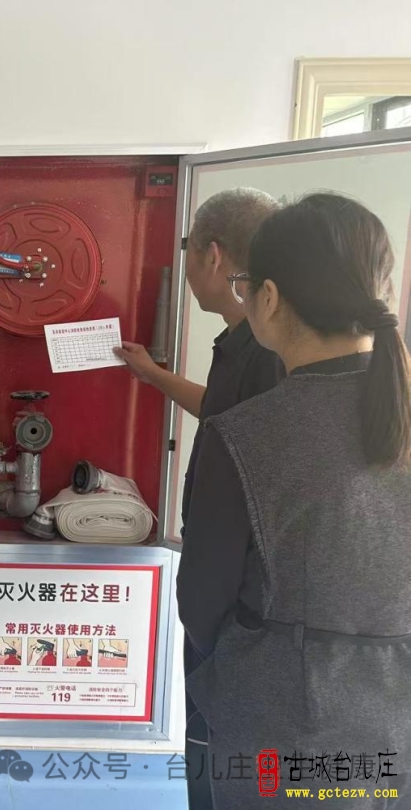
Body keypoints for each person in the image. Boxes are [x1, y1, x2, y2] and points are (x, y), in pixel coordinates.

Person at [178, 193, 411, 808]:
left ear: (269, 297)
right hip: (396, 727)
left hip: (278, 730)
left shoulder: (244, 437)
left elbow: (201, 606)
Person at [114, 187, 282, 809]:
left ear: (212, 255)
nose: (185, 266)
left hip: (239, 606)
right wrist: (152, 375)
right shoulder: (240, 342)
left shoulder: (267, 356)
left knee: (222, 751)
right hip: (222, 596)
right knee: (206, 741)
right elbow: (220, 413)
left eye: (185, 250)